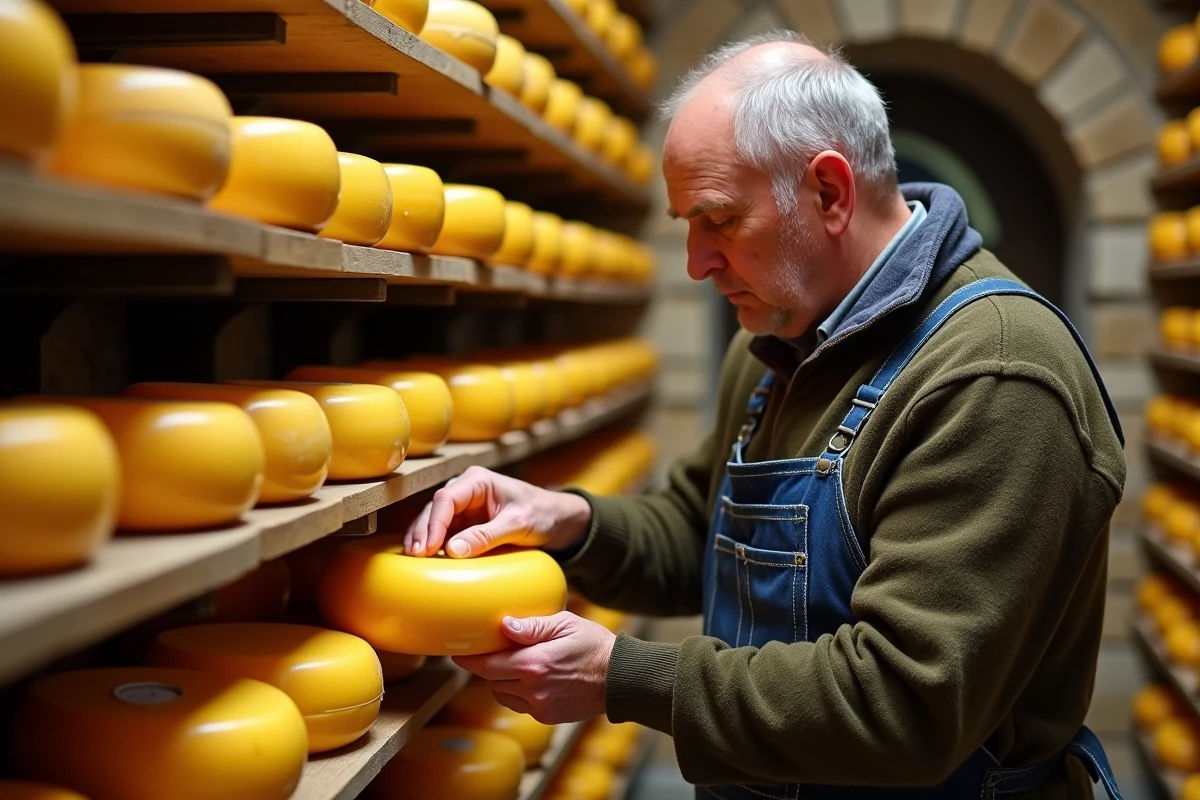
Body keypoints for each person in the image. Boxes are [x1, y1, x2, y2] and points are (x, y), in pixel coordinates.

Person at [405, 31, 1127, 799]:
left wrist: (624, 674)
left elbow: (906, 705)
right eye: (686, 224)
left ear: (830, 193)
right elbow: (701, 532)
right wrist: (565, 520)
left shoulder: (995, 374)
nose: (697, 263)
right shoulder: (777, 337)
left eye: (718, 220)